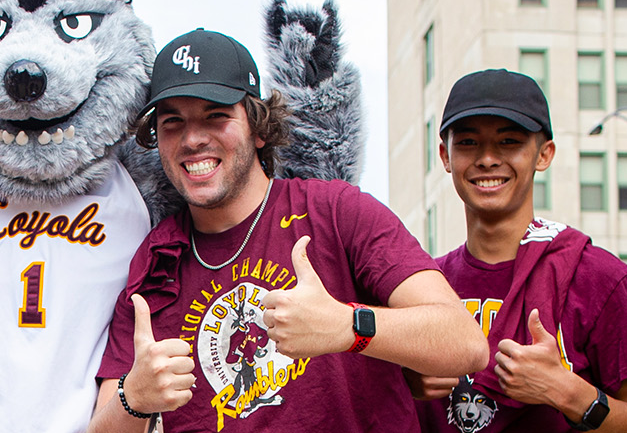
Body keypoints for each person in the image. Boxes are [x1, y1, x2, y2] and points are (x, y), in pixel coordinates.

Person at [86, 29, 488, 432]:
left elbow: (465, 344)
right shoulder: (157, 259)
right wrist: (133, 398)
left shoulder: (336, 211)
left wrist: (348, 328)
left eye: (216, 115)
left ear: (259, 128)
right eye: (173, 122)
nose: (192, 139)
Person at [411, 69, 627, 433]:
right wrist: (408, 384)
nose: (487, 159)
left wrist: (567, 392)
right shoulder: (421, 286)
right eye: (469, 143)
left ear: (544, 154)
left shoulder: (602, 280)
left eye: (509, 142)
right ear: (445, 155)